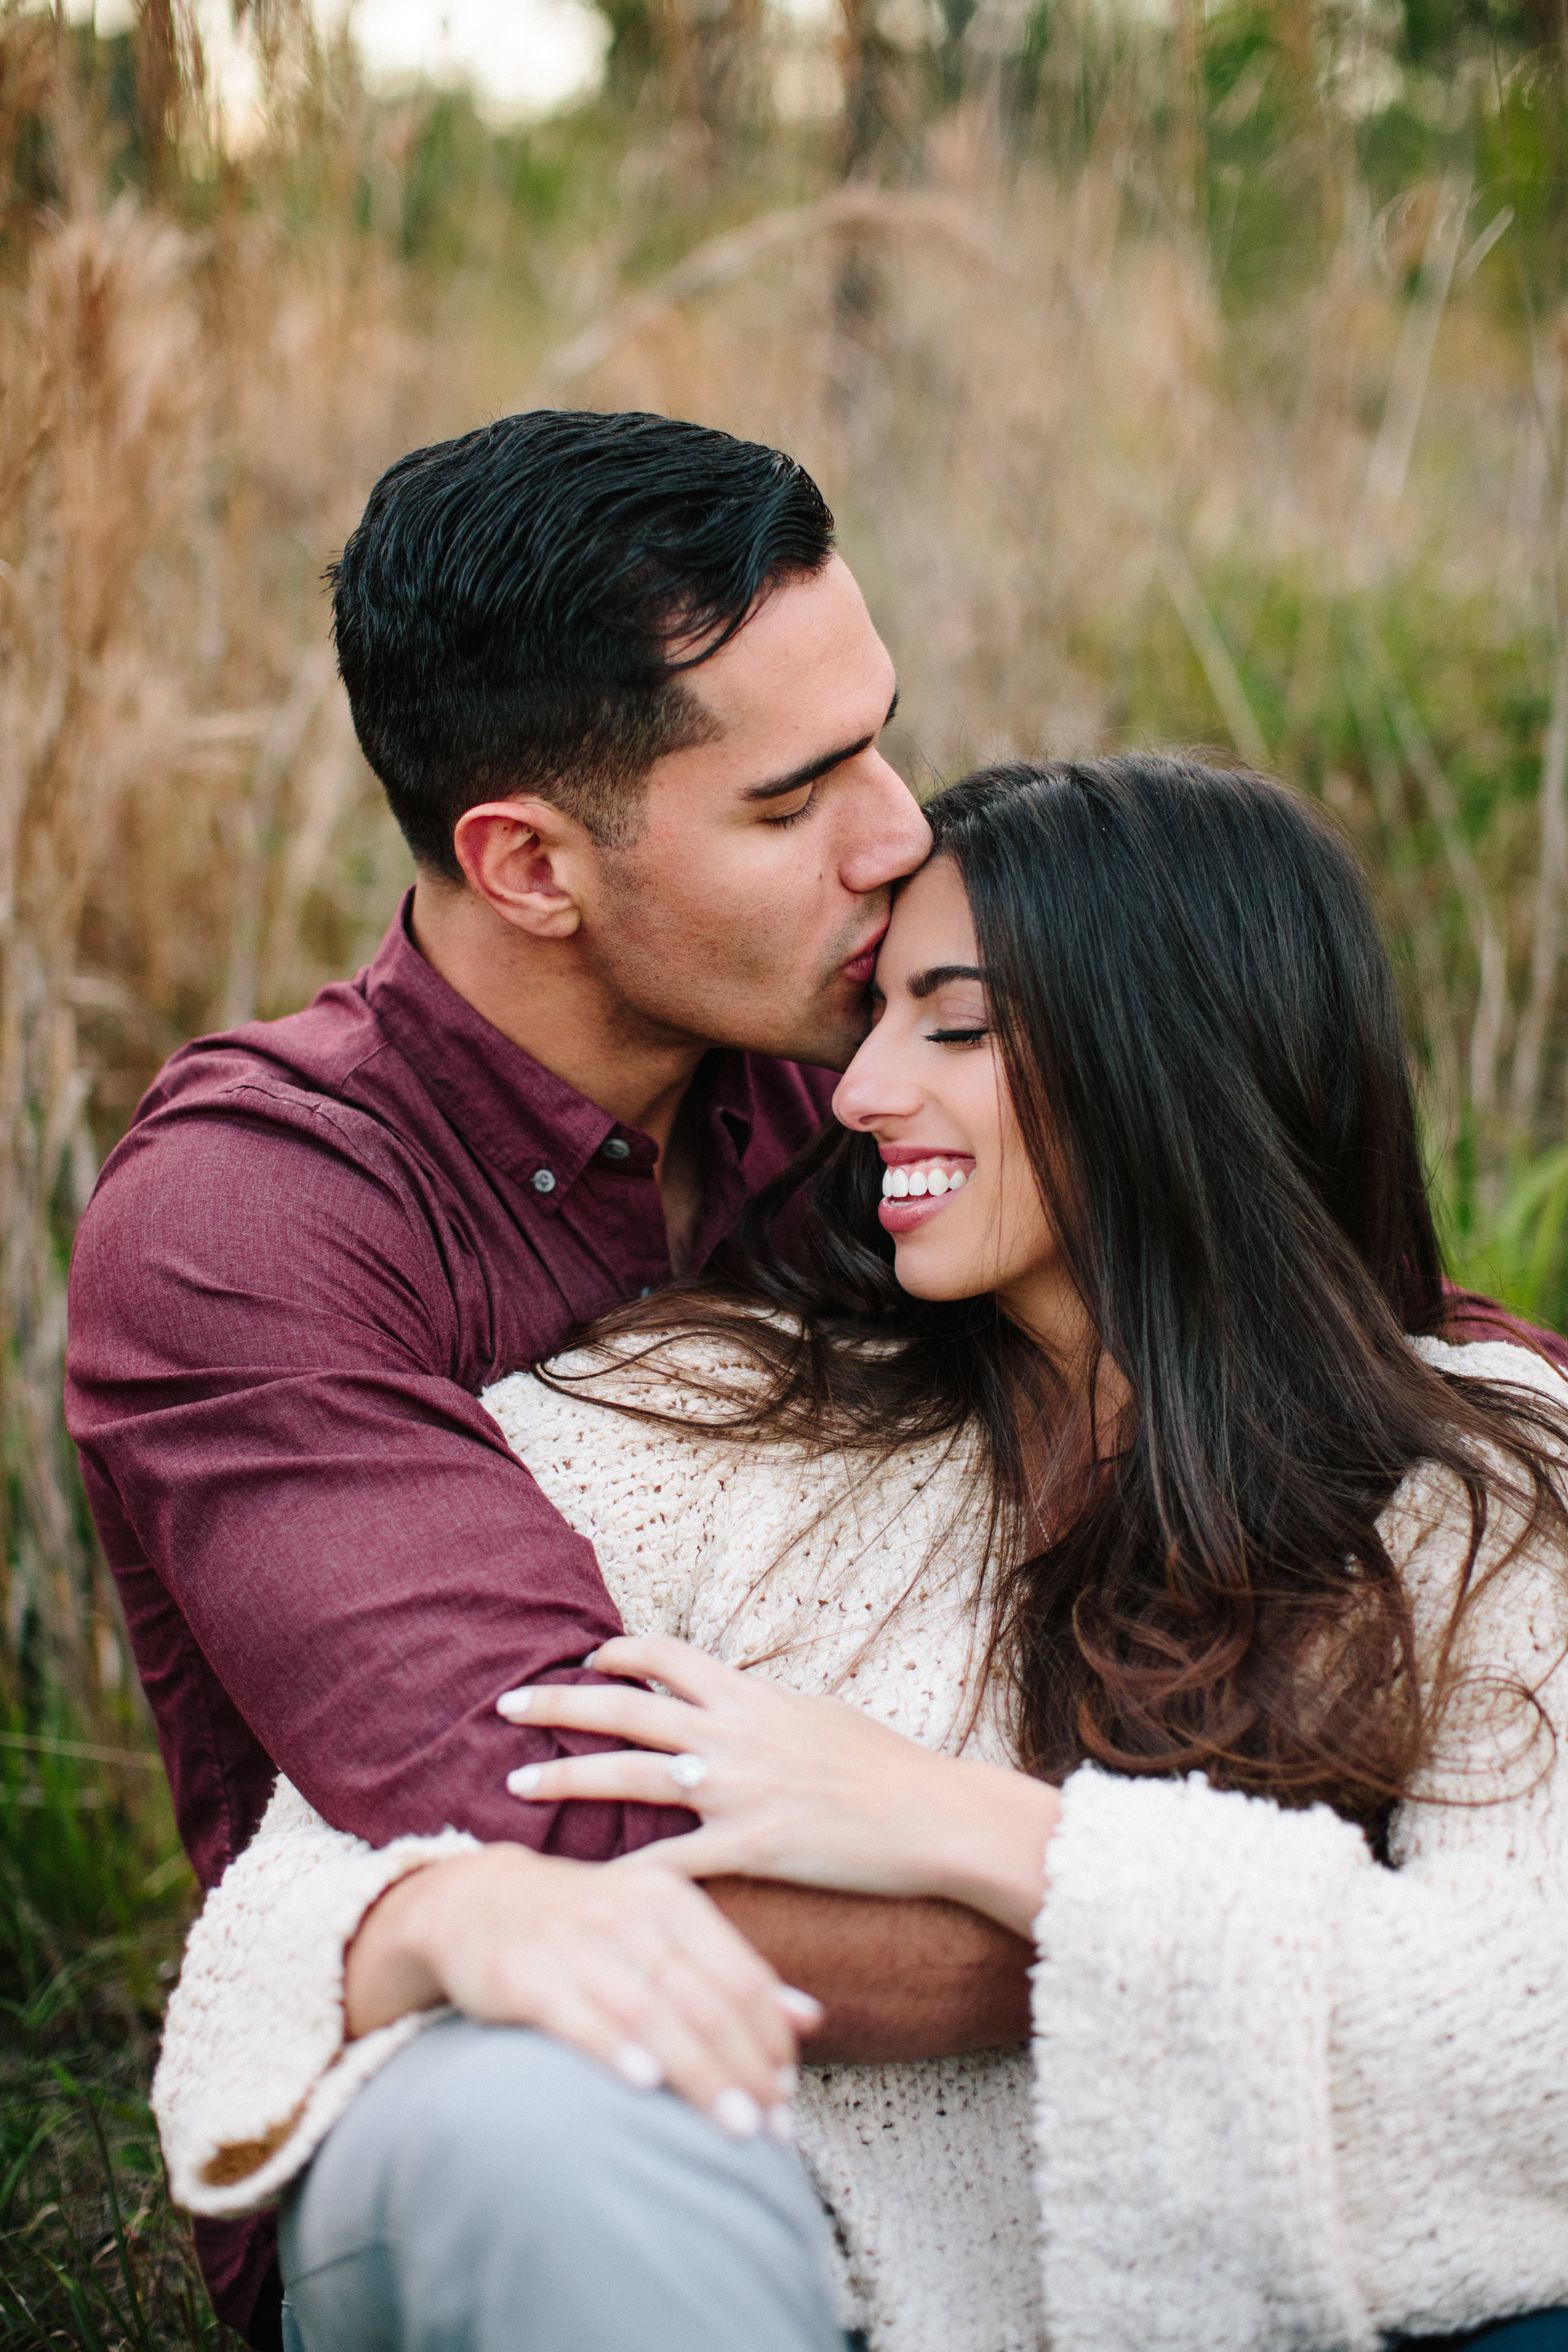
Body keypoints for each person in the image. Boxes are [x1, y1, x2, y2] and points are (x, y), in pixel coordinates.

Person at [155, 756, 1568, 2352]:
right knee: (517, 2118)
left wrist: (978, 1833)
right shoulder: (699, 1415)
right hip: (731, 2257)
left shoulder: (1474, 1475)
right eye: (878, 1018)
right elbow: (317, 1894)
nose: (859, 1092)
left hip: (1247, 2284)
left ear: (1177, 1058)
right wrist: (432, 1927)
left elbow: (1528, 2025)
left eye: (953, 1028)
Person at [64, 409, 1034, 2351]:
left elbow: (1346, 1350)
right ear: (526, 864)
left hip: (996, 1999)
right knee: (581, 2124)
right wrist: (1182, 1909)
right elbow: (565, 1843)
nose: (902, 834)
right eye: (794, 799)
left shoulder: (877, 1059)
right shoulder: (253, 1220)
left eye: (883, 735)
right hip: (521, 2062)